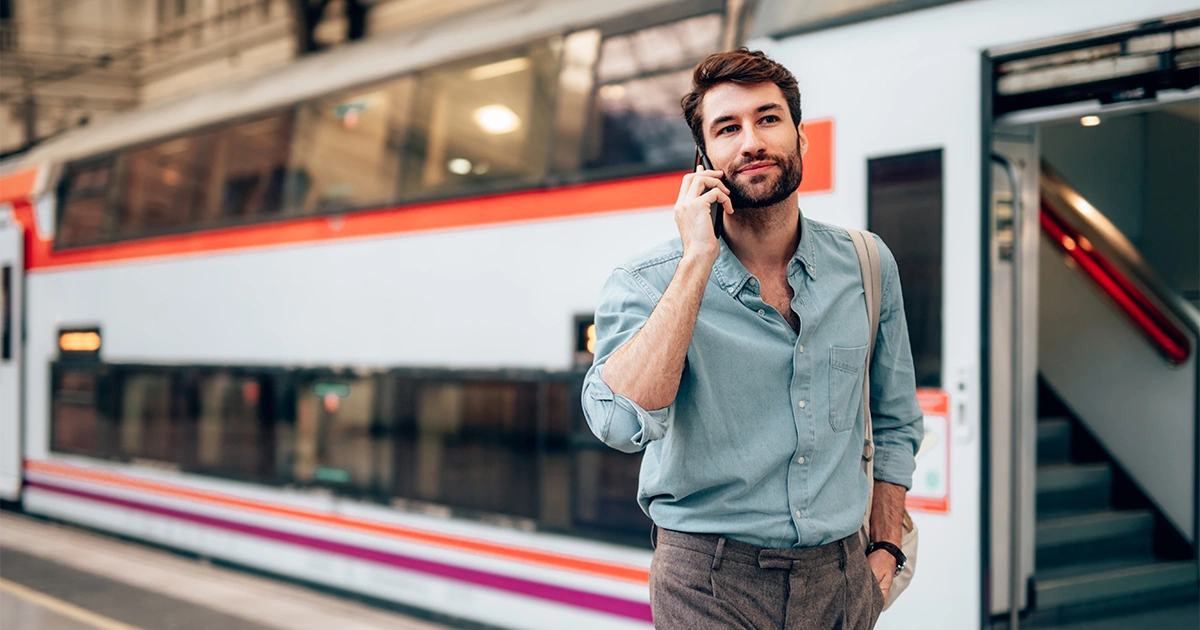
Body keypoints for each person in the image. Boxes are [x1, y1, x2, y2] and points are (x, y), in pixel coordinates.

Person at [580, 49, 923, 629]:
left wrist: (885, 549)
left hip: (842, 578)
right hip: (708, 580)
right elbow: (619, 424)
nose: (751, 142)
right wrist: (696, 262)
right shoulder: (646, 282)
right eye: (727, 128)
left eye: (768, 119)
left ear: (800, 138)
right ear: (704, 160)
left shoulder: (867, 263)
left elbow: (894, 420)